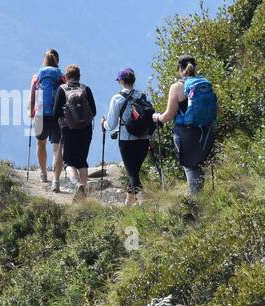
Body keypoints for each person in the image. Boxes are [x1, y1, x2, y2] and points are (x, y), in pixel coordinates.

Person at [154, 55, 218, 195]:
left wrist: (157, 117)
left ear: (180, 68)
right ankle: (200, 196)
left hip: (185, 132)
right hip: (206, 131)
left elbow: (169, 115)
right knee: (197, 163)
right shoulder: (205, 84)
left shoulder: (177, 87)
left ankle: (195, 198)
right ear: (195, 67)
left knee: (190, 165)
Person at [101, 67, 150, 206]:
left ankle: (143, 203)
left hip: (126, 141)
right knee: (134, 171)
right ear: (133, 80)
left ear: (121, 81)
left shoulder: (117, 98)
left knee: (132, 174)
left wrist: (103, 124)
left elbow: (111, 124)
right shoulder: (142, 96)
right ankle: (128, 202)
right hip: (144, 139)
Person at [52, 64, 97, 198]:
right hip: (86, 130)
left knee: (69, 162)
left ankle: (77, 185)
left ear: (66, 76)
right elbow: (94, 111)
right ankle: (84, 194)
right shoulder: (86, 89)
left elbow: (56, 112)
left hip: (68, 130)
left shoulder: (62, 89)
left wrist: (68, 118)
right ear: (79, 76)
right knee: (82, 161)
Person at [28, 49, 65, 186]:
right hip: (57, 115)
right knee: (57, 149)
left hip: (40, 115)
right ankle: (56, 180)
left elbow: (32, 97)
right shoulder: (62, 77)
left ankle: (43, 174)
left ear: (44, 61)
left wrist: (31, 112)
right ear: (57, 61)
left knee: (41, 143)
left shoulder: (37, 76)